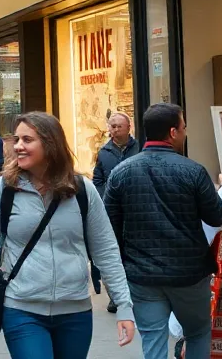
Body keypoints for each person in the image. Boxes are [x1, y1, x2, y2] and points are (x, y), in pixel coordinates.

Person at [0, 113, 135, 359]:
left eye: (27, 140)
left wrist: (124, 305)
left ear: (50, 143)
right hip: (22, 309)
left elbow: (105, 250)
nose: (18, 146)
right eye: (17, 139)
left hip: (75, 310)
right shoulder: (4, 189)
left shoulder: (82, 190)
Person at [103, 103, 222, 359]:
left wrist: (121, 269)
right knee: (198, 333)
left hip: (142, 275)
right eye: (183, 127)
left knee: (153, 338)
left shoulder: (120, 173)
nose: (185, 132)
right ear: (173, 132)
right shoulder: (193, 171)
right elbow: (217, 215)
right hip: (189, 274)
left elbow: (110, 230)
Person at [91, 111, 138, 312]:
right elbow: (98, 179)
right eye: (113, 126)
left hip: (135, 209)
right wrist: (105, 196)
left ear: (129, 128)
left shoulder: (139, 148)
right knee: (113, 252)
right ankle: (115, 296)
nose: (116, 129)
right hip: (112, 211)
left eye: (119, 126)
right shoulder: (104, 152)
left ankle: (135, 293)